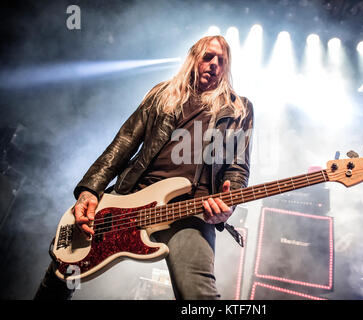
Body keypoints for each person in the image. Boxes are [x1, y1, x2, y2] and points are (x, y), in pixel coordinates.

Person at [34, 35, 254, 300]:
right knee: (64, 266)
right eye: (208, 56)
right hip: (133, 196)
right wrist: (90, 190)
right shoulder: (163, 94)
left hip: (191, 209)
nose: (214, 64)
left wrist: (228, 204)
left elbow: (237, 167)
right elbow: (124, 142)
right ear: (194, 58)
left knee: (198, 294)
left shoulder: (238, 108)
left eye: (221, 60)